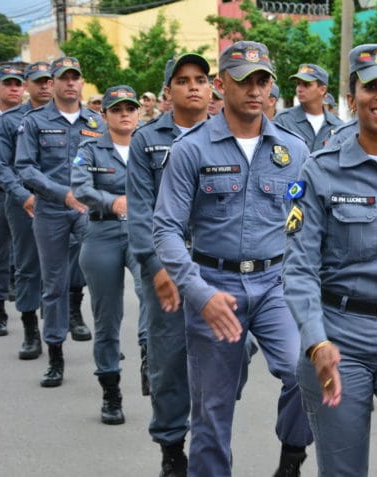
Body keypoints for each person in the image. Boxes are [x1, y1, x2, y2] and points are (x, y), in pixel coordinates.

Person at [152, 41, 313, 477]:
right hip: (213, 284)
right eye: (244, 80)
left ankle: (292, 456)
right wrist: (198, 292)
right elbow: (165, 229)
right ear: (222, 85)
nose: (255, 90)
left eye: (263, 81)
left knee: (306, 372)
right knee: (212, 409)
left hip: (276, 284)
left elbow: (308, 227)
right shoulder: (191, 149)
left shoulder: (294, 151)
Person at [283, 43, 377, 477]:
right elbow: (299, 267)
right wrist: (315, 341)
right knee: (344, 471)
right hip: (339, 340)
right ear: (352, 99)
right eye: (372, 88)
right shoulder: (320, 169)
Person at [127, 52, 212, 476]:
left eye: (200, 79)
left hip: (218, 265)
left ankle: (210, 431)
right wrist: (159, 269)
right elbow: (141, 211)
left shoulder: (226, 134)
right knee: (170, 361)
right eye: (183, 80)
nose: (193, 86)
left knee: (229, 359)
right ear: (168, 91)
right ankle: (172, 447)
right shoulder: (147, 140)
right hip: (166, 266)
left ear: (213, 87)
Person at [16, 56, 105, 387]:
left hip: (89, 211)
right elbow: (25, 167)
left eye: (75, 77)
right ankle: (55, 355)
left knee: (101, 279)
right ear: (52, 83)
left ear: (82, 83)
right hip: (52, 210)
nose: (70, 83)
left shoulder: (97, 122)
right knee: (53, 284)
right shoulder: (36, 121)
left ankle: (106, 348)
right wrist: (62, 193)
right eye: (63, 78)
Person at [71, 85, 147, 425]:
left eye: (130, 108)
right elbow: (81, 188)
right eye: (117, 110)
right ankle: (110, 390)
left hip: (142, 232)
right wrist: (111, 201)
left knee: (155, 300)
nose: (125, 114)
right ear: (104, 116)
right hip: (102, 232)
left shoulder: (150, 148)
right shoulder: (90, 149)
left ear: (138, 113)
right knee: (107, 318)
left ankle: (152, 364)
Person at [0, 61, 54, 359]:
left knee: (72, 267)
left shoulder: (75, 118)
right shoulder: (10, 121)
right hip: (21, 200)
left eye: (48, 80)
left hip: (62, 201)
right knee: (26, 265)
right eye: (36, 81)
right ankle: (30, 330)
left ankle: (71, 324)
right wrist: (21, 195)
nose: (44, 86)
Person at [0, 64, 24, 336]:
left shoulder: (31, 117)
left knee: (32, 253)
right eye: (8, 83)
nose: (14, 88)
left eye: (18, 83)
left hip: (24, 192)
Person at [274, 63, 342, 151]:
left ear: (322, 90)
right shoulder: (283, 121)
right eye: (298, 84)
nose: (299, 89)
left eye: (306, 84)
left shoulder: (337, 126)